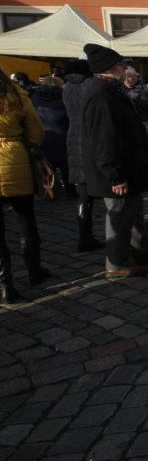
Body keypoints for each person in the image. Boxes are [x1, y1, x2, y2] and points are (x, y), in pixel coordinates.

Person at [81, 43, 148, 279]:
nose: (124, 67)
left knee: (133, 212)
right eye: (120, 64)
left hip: (128, 166)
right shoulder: (100, 94)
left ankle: (142, 251)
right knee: (119, 215)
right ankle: (116, 264)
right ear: (109, 67)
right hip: (116, 171)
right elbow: (104, 138)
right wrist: (114, 174)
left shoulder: (109, 89)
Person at [0, 69, 49, 303]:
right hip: (15, 158)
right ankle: (34, 271)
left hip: (12, 156)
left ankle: (5, 286)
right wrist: (26, 144)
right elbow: (36, 129)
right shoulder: (15, 93)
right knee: (25, 220)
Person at [62, 59, 104, 252]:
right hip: (91, 137)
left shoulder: (66, 87)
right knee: (112, 188)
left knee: (84, 196)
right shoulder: (90, 85)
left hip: (73, 138)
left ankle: (84, 235)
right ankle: (129, 228)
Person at [30, 74, 71, 196]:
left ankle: (49, 192)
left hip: (42, 136)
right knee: (65, 167)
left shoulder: (33, 98)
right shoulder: (64, 97)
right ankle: (70, 191)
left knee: (46, 166)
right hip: (61, 135)